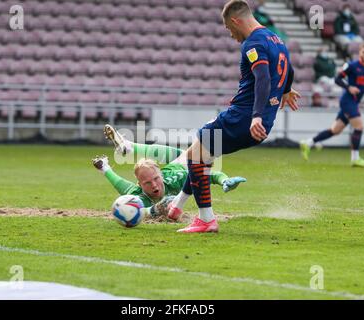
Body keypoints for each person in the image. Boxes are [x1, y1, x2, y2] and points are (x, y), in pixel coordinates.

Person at [164, 0, 299, 233]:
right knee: (202, 154)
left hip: (244, 117)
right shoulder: (276, 39)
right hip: (263, 121)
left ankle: (206, 219)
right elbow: (289, 68)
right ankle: (177, 205)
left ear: (236, 21)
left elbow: (263, 78)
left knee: (196, 154)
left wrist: (255, 115)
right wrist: (286, 90)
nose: (230, 34)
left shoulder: (252, 43)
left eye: (229, 28)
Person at [92, 125, 247, 220]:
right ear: (140, 184)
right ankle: (129, 146)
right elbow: (123, 188)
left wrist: (224, 180)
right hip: (175, 162)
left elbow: (210, 174)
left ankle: (129, 146)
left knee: (187, 155)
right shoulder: (139, 194)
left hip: (182, 165)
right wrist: (104, 168)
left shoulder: (175, 178)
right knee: (187, 152)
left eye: (156, 178)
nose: (154, 185)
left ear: (160, 174)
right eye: (147, 183)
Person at [300, 42, 364, 166]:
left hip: (354, 102)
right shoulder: (352, 66)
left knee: (335, 130)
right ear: (359, 53)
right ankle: (355, 158)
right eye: (363, 52)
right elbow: (337, 79)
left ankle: (308, 143)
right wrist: (349, 87)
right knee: (359, 127)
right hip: (348, 100)